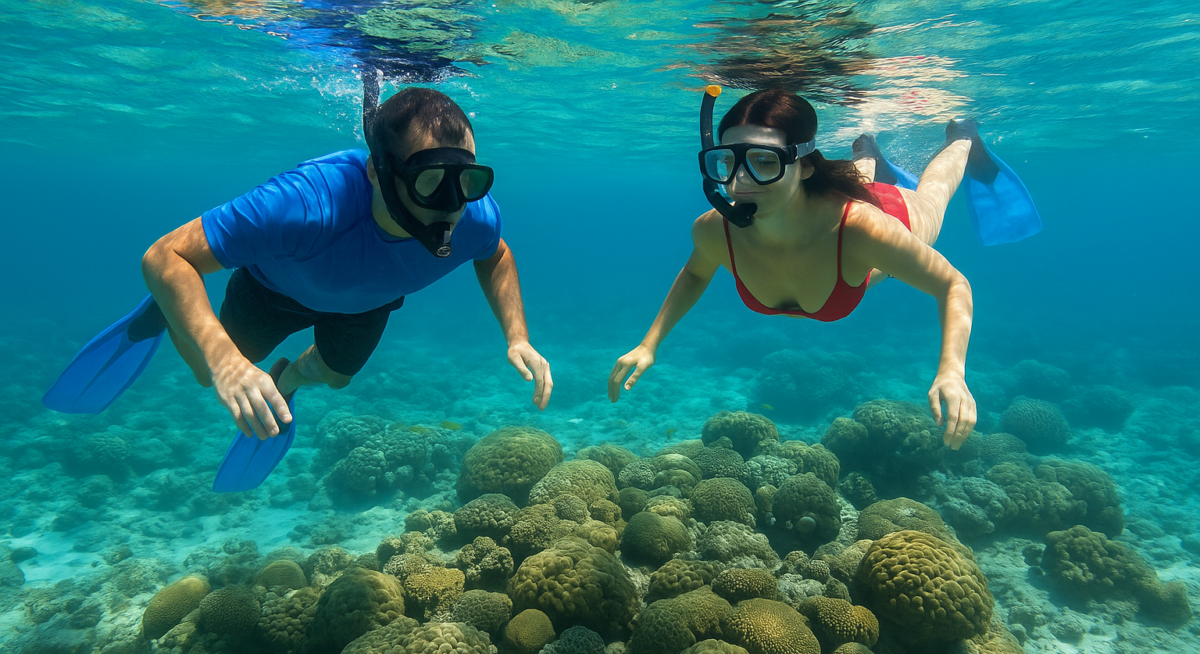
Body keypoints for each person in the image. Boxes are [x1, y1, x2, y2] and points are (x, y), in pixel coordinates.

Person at [44, 85, 552, 489]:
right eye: (429, 181)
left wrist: (517, 335)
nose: (451, 204)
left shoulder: (476, 218)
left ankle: (284, 381)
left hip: (367, 302)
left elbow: (497, 255)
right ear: (378, 172)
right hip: (273, 288)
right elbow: (164, 254)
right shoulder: (305, 203)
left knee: (334, 377)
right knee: (205, 373)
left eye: (467, 182)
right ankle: (163, 309)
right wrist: (224, 360)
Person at [608, 87, 1040, 450]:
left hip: (888, 215)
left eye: (763, 161)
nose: (739, 183)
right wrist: (650, 343)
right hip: (827, 197)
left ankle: (963, 138)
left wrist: (952, 370)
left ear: (805, 164)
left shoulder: (865, 230)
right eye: (727, 162)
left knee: (934, 193)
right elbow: (696, 273)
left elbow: (952, 284)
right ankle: (866, 152)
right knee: (857, 174)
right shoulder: (715, 231)